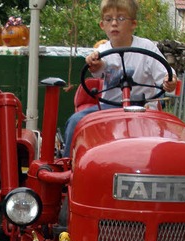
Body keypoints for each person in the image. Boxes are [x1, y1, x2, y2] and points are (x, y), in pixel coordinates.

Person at [61, 0, 178, 157]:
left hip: (144, 110)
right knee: (76, 121)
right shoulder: (102, 51)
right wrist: (95, 64)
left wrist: (169, 81)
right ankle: (69, 167)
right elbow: (100, 65)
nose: (114, 23)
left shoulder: (147, 48)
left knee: (167, 134)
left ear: (133, 24)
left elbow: (166, 74)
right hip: (110, 109)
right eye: (109, 19)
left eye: (121, 18)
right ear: (102, 25)